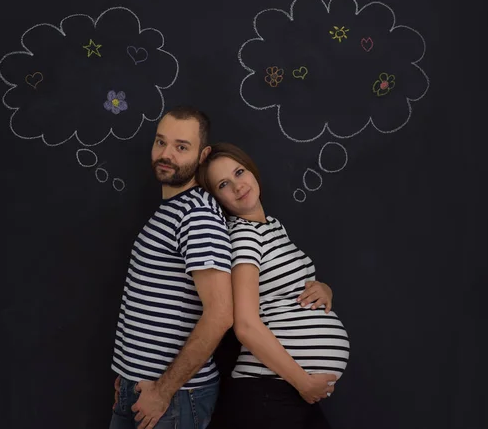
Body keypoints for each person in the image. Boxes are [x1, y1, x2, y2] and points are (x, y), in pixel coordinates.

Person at [197, 143, 350, 429]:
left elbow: (285, 290)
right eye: (223, 184)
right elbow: (244, 325)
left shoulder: (271, 227)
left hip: (284, 392)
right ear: (218, 199)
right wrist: (303, 381)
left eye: (239, 172)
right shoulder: (244, 237)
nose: (238, 186)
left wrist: (324, 289)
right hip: (269, 391)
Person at [109, 107, 233, 429]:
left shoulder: (197, 215)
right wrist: (129, 370)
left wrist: (163, 391)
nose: (166, 155)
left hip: (174, 400)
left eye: (181, 147)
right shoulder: (170, 210)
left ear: (203, 155)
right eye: (160, 142)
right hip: (141, 389)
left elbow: (220, 315)